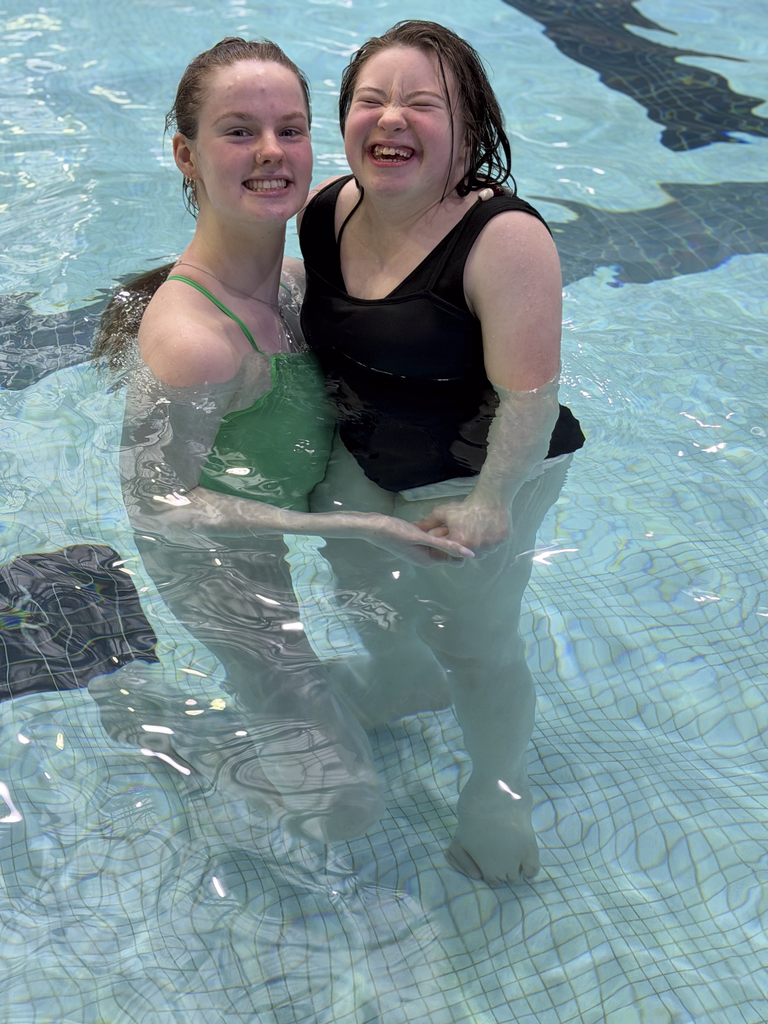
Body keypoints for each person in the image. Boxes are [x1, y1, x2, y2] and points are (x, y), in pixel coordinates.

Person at [91, 37, 472, 844]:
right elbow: (158, 506)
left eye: (291, 129)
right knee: (347, 808)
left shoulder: (299, 285)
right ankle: (167, 724)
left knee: (426, 690)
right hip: (221, 575)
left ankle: (300, 704)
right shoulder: (196, 339)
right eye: (239, 132)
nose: (272, 152)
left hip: (276, 530)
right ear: (186, 156)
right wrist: (349, 526)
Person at [298, 21, 585, 884]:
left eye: (424, 103)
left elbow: (530, 398)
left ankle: (496, 791)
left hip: (484, 461)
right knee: (357, 582)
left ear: (468, 132)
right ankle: (398, 679)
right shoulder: (326, 210)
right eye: (371, 101)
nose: (393, 119)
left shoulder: (505, 240)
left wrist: (493, 499)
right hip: (370, 445)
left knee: (476, 642)